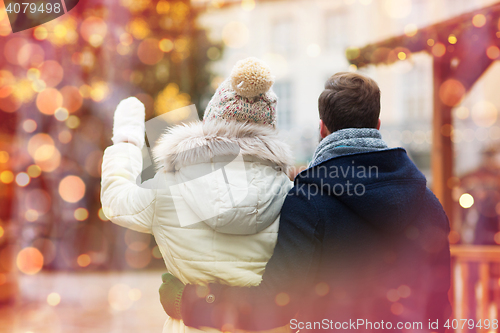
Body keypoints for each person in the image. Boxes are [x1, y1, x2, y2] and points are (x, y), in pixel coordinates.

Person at [159, 72, 452, 332]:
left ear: (322, 129)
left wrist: (192, 302)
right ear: (377, 125)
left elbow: (273, 304)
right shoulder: (429, 206)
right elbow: (440, 308)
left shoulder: (307, 202)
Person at [101, 57, 293, 333]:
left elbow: (115, 202)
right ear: (269, 131)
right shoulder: (290, 195)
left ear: (211, 121)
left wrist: (127, 141)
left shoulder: (169, 187)